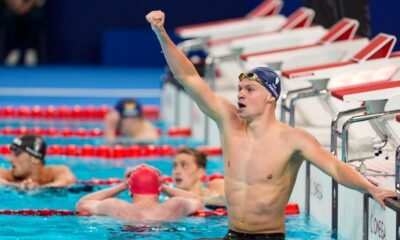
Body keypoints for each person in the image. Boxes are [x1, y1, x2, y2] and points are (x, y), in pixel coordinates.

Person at [146, 10, 396, 239]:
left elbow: (335, 168)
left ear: (270, 97)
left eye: (250, 89)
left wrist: (371, 189)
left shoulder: (292, 139)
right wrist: (161, 33)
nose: (241, 94)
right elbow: (188, 76)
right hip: (231, 234)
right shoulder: (228, 122)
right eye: (240, 89)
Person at [76, 164, 203, 223]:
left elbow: (82, 204)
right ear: (158, 189)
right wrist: (163, 185)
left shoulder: (116, 206)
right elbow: (198, 200)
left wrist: (123, 185)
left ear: (130, 190)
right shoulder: (176, 205)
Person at [0, 134, 76, 189]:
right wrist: (17, 186)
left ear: (35, 158)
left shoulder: (55, 172)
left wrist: (38, 189)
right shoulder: (9, 175)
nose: (9, 159)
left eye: (17, 153)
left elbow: (67, 181)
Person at [1, 0, 46, 66]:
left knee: (36, 16)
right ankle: (13, 50)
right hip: (11, 6)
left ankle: (31, 50)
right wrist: (13, 4)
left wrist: (26, 7)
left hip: (31, 7)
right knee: (7, 15)